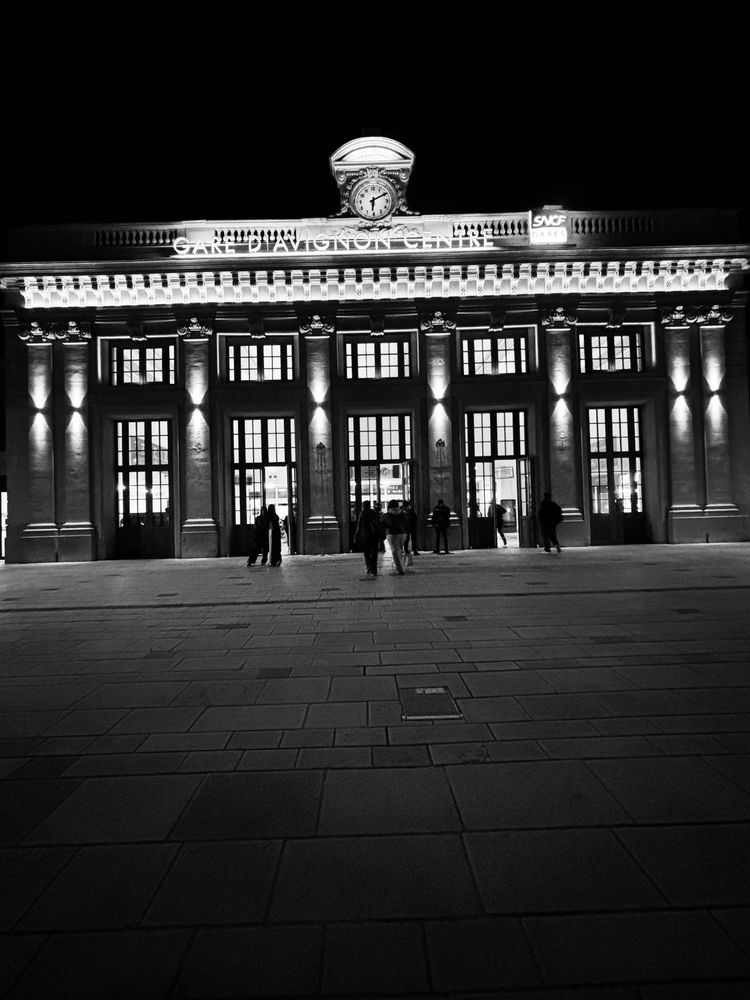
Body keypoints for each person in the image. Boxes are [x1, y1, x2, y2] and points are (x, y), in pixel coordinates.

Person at [354, 500, 382, 577]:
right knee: (374, 553)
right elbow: (378, 523)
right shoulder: (373, 512)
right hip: (374, 535)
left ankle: (369, 567)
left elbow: (358, 525)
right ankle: (374, 570)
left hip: (365, 536)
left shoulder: (362, 513)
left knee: (366, 553)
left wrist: (356, 535)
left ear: (363, 506)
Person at [383, 499, 407, 575]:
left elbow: (386, 524)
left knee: (394, 551)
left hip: (392, 534)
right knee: (400, 550)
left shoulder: (387, 515)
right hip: (403, 533)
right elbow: (407, 523)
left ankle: (400, 569)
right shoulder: (402, 514)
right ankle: (400, 567)